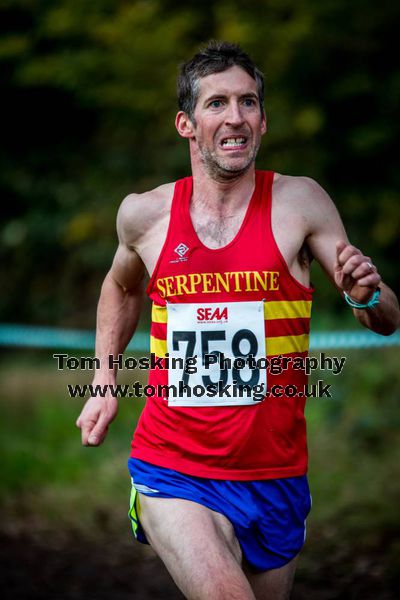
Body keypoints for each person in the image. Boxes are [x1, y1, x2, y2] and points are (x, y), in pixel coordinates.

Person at [76, 41, 399, 600]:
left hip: (275, 475)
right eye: (218, 103)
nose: (235, 117)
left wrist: (363, 295)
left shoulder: (301, 203)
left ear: (263, 120)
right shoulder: (145, 215)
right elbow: (122, 285)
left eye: (248, 103)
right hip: (172, 466)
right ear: (186, 124)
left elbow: (386, 318)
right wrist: (104, 383)